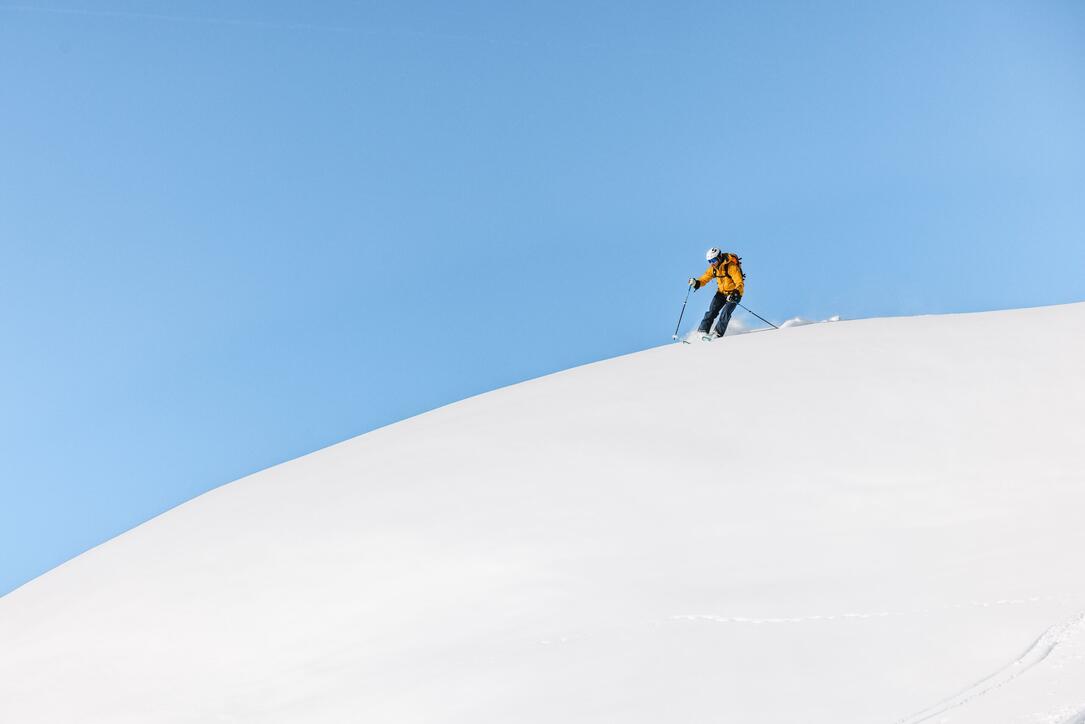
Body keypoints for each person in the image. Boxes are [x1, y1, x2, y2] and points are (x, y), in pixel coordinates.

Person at [688, 247, 745, 339]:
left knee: (725, 313)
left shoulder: (731, 267)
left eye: (713, 260)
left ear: (719, 257)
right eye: (709, 261)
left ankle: (717, 334)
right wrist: (697, 283)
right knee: (711, 312)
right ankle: (702, 331)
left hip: (734, 294)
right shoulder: (713, 268)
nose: (712, 263)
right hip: (721, 293)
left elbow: (739, 282)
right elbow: (705, 278)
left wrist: (735, 293)